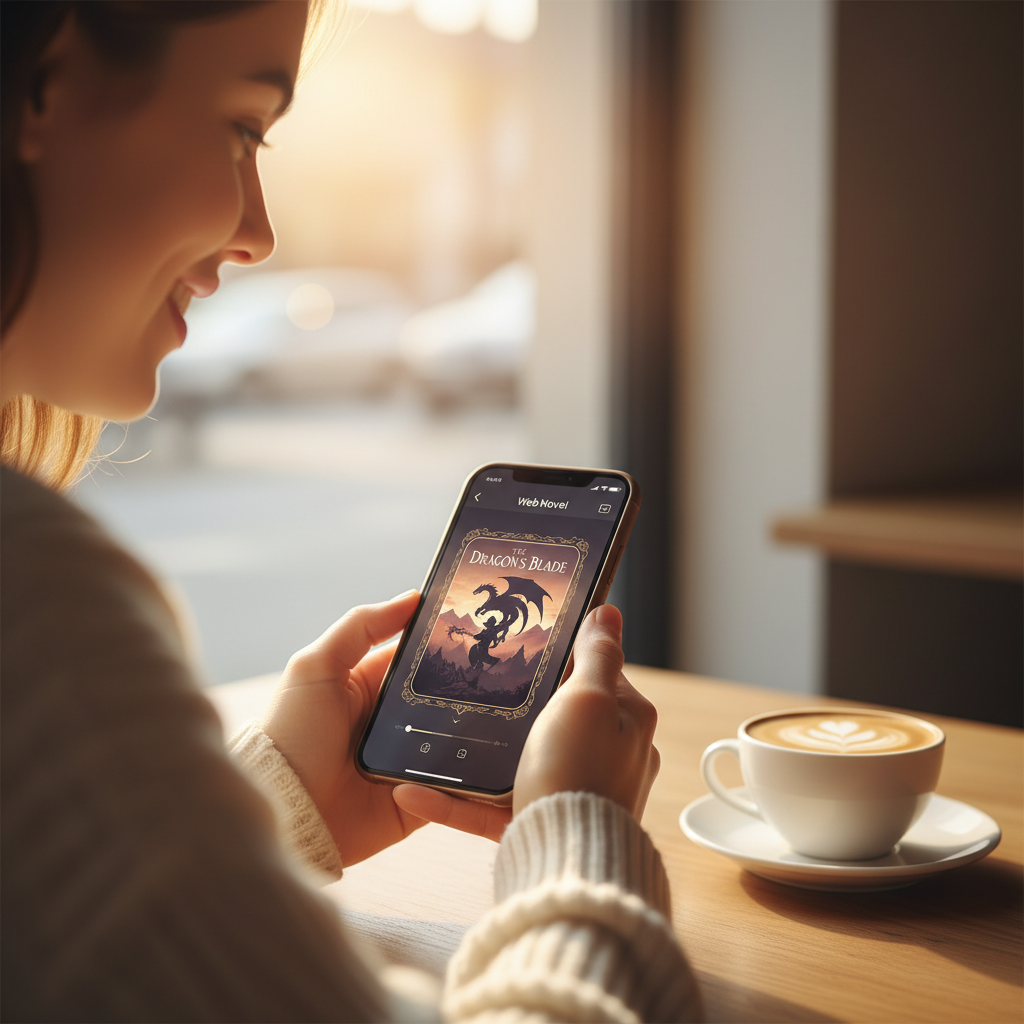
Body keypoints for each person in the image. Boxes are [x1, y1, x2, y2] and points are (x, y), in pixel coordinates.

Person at [0, 2, 702, 1020]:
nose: (258, 232)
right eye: (243, 128)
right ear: (43, 87)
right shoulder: (32, 599)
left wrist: (271, 812)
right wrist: (583, 839)